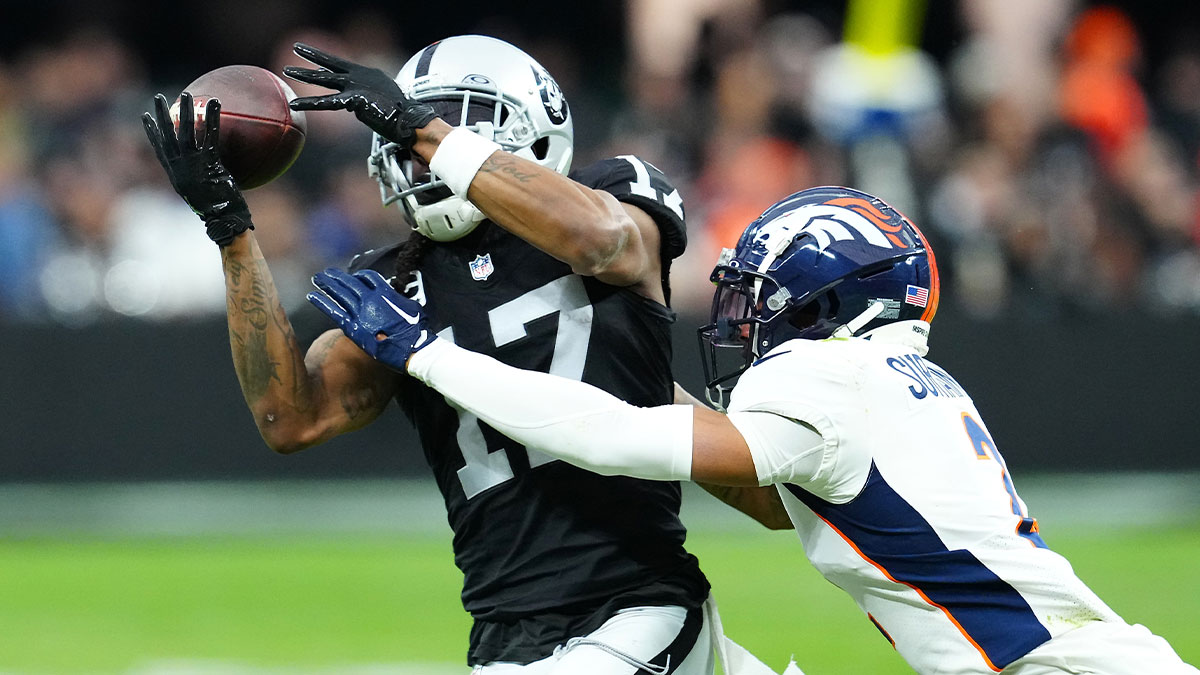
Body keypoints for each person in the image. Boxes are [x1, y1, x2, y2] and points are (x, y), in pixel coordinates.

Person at [307, 185, 1200, 675]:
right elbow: (765, 492)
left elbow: (615, 440)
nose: (742, 323)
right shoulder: (896, 377)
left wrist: (427, 352)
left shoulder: (825, 381)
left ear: (824, 300)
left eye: (757, 300)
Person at [142, 35, 792, 675]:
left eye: (450, 125)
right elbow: (292, 418)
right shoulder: (394, 282)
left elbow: (598, 241)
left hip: (638, 606)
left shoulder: (613, 192)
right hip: (503, 632)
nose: (418, 151)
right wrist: (229, 227)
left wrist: (424, 127)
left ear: (533, 128)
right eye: (403, 133)